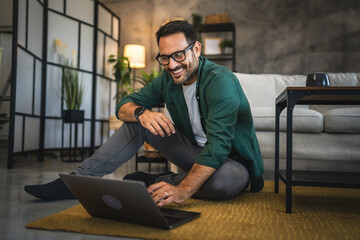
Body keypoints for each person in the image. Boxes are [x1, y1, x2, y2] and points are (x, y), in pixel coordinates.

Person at [24, 20, 264, 207]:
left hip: (231, 162)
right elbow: (123, 106)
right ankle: (75, 182)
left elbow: (219, 146)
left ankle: (155, 182)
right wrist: (142, 113)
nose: (172, 65)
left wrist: (182, 190)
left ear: (196, 49)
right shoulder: (167, 81)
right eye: (165, 58)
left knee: (219, 185)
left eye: (179, 55)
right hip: (192, 152)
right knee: (138, 122)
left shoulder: (220, 81)